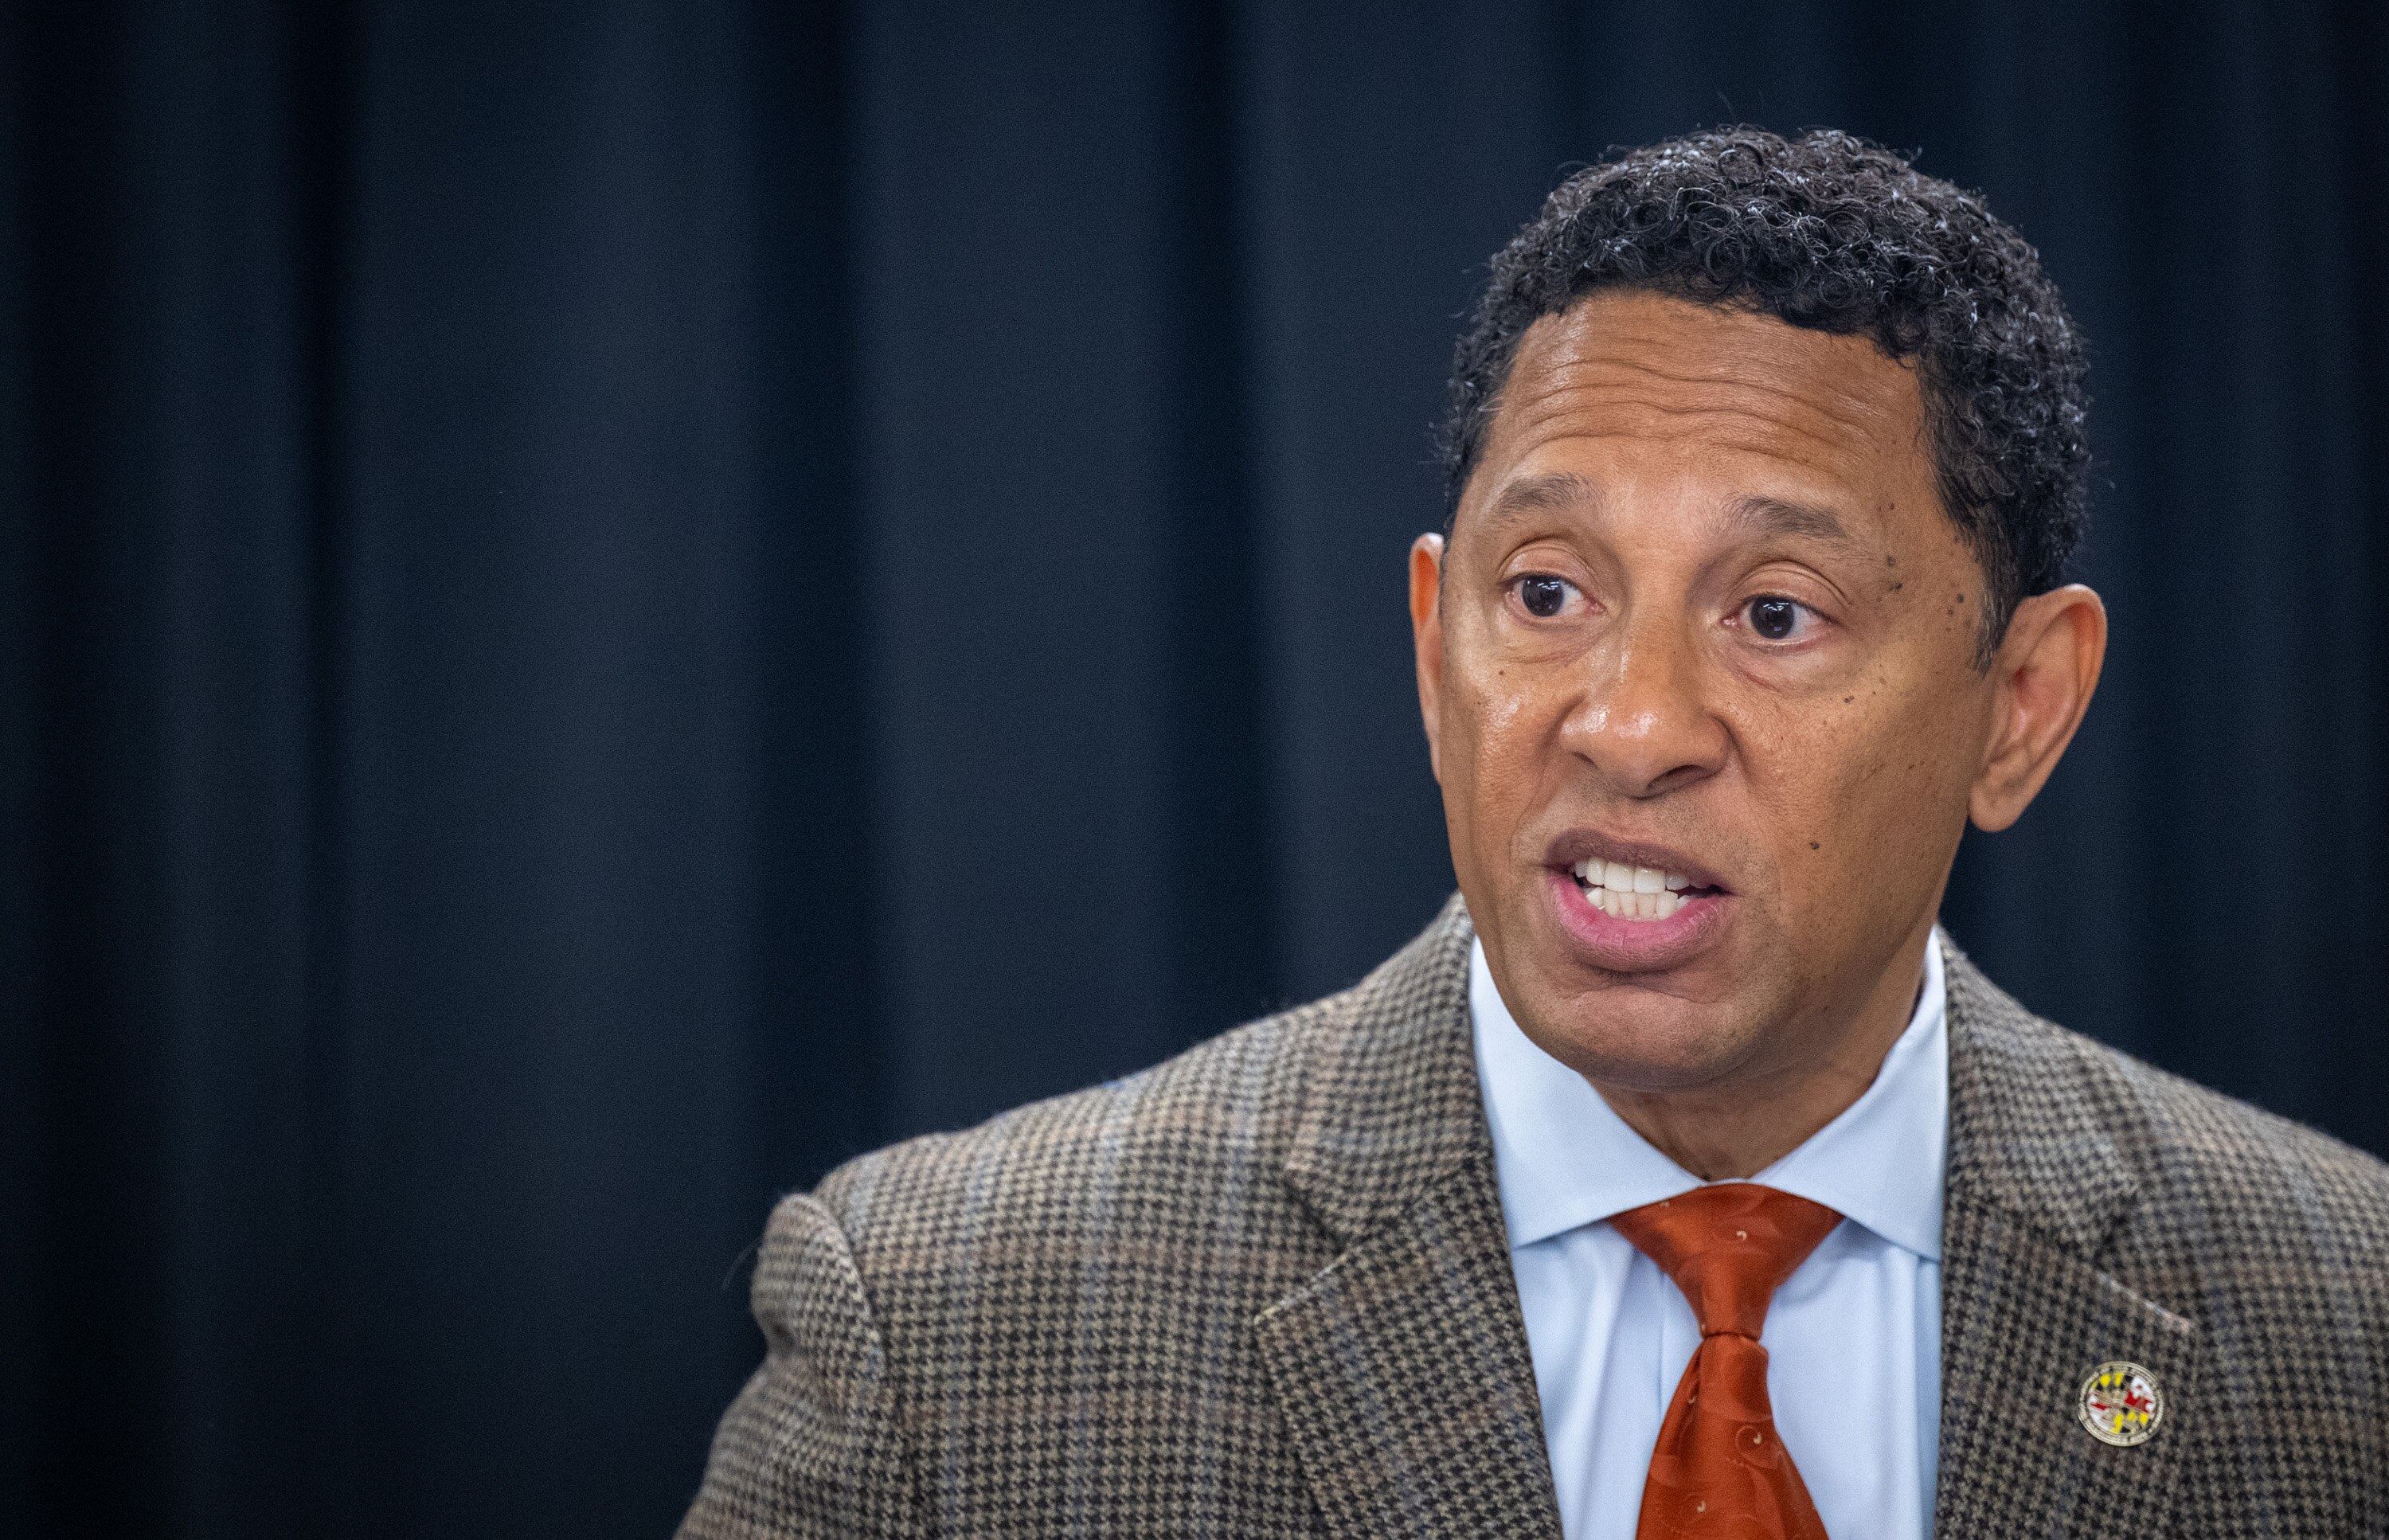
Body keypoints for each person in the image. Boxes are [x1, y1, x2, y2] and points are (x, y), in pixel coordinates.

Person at [677, 128, 2389, 1539]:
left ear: (2021, 703)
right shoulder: (942, 1335)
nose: (1629, 726)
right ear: (1436, 655)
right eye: (1550, 590)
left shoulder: (2347, 1322)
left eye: (1776, 613)